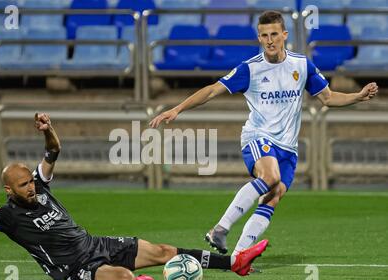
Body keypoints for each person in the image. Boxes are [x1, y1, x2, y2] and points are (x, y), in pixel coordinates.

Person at [0, 113, 268, 280]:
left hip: (94, 244)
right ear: (8, 190)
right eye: (23, 185)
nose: (30, 187)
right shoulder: (6, 215)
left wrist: (48, 129)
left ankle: (234, 264)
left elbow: (53, 151)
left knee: (164, 251)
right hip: (75, 268)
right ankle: (133, 277)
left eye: (30, 181)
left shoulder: (41, 184)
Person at [149, 11, 378, 258]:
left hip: (288, 147)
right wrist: (177, 108)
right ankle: (220, 228)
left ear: (284, 35)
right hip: (258, 137)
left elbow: (328, 97)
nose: (270, 40)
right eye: (264, 35)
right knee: (270, 177)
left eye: (274, 35)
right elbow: (212, 90)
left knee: (273, 195)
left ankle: (238, 257)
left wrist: (357, 96)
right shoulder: (251, 69)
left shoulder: (301, 65)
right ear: (259, 37)